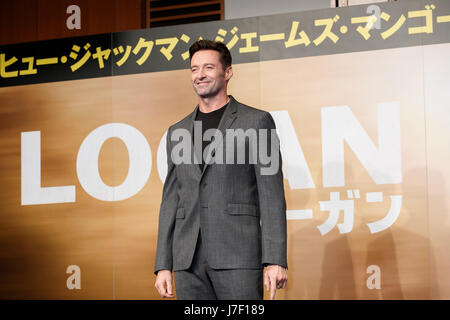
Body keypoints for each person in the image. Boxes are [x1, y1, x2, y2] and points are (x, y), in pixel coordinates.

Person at [154, 39, 287, 300]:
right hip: (187, 262)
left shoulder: (257, 121)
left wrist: (275, 260)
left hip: (238, 256)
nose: (199, 75)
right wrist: (163, 264)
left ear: (227, 72)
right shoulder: (177, 131)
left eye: (208, 68)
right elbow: (170, 200)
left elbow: (271, 195)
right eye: (194, 69)